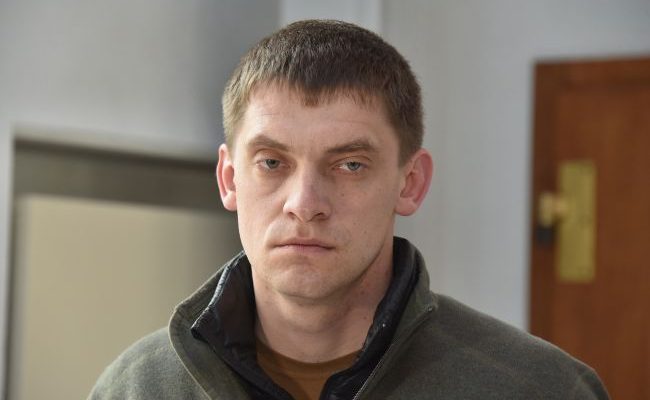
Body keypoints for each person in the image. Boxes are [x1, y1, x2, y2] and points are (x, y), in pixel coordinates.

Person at [89, 19, 609, 400]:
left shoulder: (541, 390)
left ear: (410, 183)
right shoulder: (136, 389)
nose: (304, 204)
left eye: (350, 165)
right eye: (272, 162)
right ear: (229, 179)